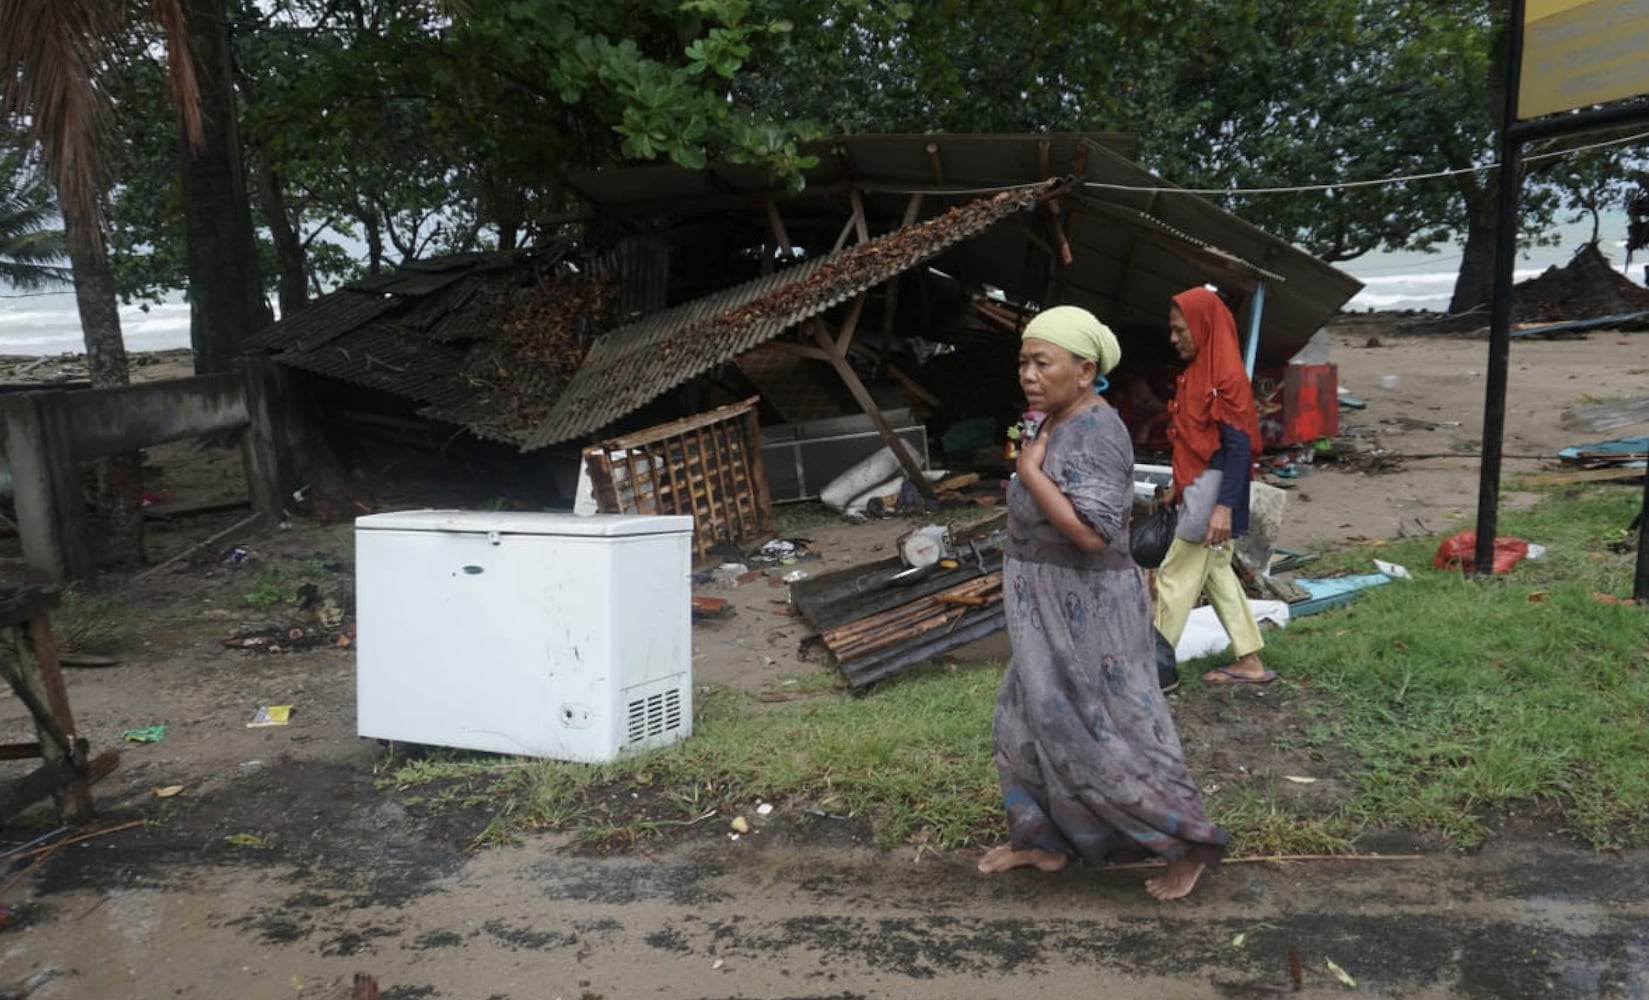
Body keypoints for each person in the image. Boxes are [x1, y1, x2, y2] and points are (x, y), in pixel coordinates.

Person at [978, 304, 1229, 902]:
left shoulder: (1096, 431)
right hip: (1045, 605)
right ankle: (1042, 840)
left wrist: (1029, 473)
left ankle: (1187, 843)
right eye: (1024, 362)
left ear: (1086, 369)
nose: (1029, 374)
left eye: (1044, 362)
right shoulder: (1055, 421)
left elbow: (1093, 532)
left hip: (1085, 610)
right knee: (1022, 723)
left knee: (1110, 730)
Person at [1154, 287, 1275, 685]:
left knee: (1174, 574)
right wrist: (1177, 486)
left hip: (1213, 494)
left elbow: (1239, 449)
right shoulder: (1197, 372)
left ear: (1203, 326)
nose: (1173, 339)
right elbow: (1193, 442)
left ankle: (1154, 669)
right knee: (1217, 573)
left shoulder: (1226, 377)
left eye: (1179, 330)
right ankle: (1251, 661)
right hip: (1200, 487)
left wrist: (1223, 507)